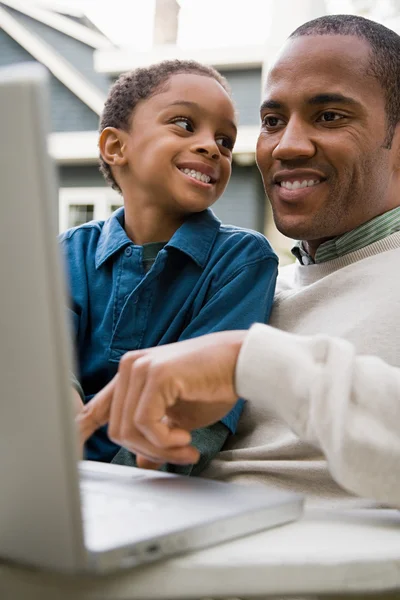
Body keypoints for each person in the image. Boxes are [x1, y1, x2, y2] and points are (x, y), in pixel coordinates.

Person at [77, 14, 400, 508]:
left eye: (330, 115)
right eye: (272, 121)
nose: (286, 145)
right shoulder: (243, 286)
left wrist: (251, 363)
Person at [62, 59, 278, 472]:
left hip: (150, 487)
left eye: (225, 141)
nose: (211, 147)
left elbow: (197, 420)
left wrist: (113, 496)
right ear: (115, 147)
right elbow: (44, 370)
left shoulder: (243, 261)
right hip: (55, 476)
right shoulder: (66, 253)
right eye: (183, 124)